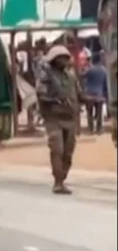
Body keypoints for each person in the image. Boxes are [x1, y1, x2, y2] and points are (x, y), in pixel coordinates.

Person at [36, 45, 85, 194]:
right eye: (61, 57)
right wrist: (55, 100)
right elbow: (41, 95)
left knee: (68, 152)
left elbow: (78, 94)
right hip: (53, 118)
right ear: (54, 59)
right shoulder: (46, 76)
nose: (64, 60)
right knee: (57, 148)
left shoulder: (71, 76)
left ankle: (62, 178)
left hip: (70, 118)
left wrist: (90, 99)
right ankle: (58, 181)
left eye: (66, 57)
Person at [82, 53, 108, 134]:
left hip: (89, 94)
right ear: (100, 60)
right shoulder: (104, 70)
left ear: (92, 60)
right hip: (99, 94)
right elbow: (105, 83)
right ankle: (99, 129)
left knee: (89, 113)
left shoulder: (89, 69)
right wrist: (105, 94)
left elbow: (82, 76)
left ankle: (90, 129)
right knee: (99, 113)